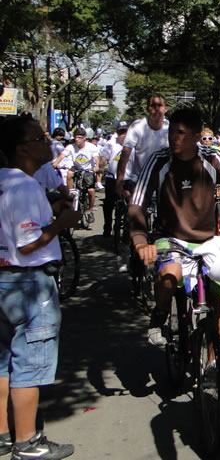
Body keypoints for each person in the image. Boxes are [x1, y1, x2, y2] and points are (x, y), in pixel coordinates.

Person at [129, 107, 220, 357]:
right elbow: (137, 204)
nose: (173, 138)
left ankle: (213, 363)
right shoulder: (159, 160)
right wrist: (140, 242)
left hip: (210, 241)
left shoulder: (214, 157)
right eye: (171, 132)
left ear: (196, 137)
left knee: (215, 302)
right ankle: (160, 314)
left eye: (180, 133)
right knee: (170, 275)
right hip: (170, 238)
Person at [0, 117, 81, 460]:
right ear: (22, 149)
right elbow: (28, 243)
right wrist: (61, 223)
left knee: (3, 362)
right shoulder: (25, 186)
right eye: (39, 138)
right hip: (28, 282)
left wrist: (50, 212)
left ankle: (4, 435)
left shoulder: (6, 182)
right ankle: (27, 442)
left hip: (4, 280)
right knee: (29, 364)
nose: (47, 142)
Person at [115, 94, 169, 200]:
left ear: (166, 108)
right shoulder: (137, 126)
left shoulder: (170, 127)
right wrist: (119, 182)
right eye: (153, 105)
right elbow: (125, 155)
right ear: (147, 108)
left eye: (160, 105)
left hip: (164, 179)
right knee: (135, 208)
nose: (156, 108)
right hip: (140, 179)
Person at [52, 127, 100, 214]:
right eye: (75, 137)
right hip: (77, 168)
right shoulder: (71, 147)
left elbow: (96, 158)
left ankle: (90, 209)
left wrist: (97, 166)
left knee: (91, 190)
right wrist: (55, 163)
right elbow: (62, 155)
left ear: (84, 138)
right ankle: (71, 194)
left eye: (79, 137)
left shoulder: (91, 147)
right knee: (69, 173)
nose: (77, 139)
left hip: (88, 169)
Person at [101, 124, 128, 238]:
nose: (123, 135)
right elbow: (104, 158)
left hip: (127, 179)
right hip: (112, 178)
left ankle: (127, 229)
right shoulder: (111, 144)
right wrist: (101, 167)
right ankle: (107, 227)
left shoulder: (133, 144)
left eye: (126, 132)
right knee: (108, 204)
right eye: (121, 132)